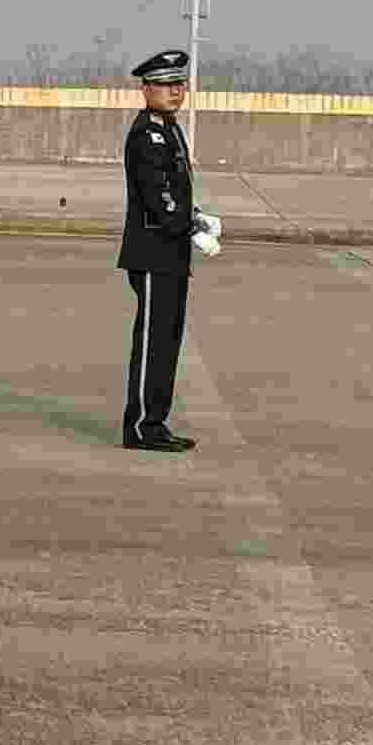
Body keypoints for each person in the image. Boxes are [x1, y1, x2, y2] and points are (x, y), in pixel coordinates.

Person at [119, 49, 212, 453]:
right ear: (146, 89)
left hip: (170, 252)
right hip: (153, 252)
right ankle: (141, 426)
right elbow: (159, 197)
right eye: (165, 85)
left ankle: (155, 422)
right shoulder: (147, 135)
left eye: (179, 84)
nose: (175, 91)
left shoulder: (170, 129)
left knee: (166, 342)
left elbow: (177, 190)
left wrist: (197, 217)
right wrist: (188, 226)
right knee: (153, 342)